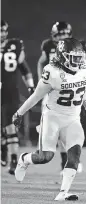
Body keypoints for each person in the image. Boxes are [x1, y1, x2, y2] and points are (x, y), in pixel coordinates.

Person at [12, 38, 86, 201]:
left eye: (80, 57)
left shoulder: (85, 67)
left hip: (73, 119)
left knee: (75, 155)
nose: (79, 61)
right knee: (45, 157)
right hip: (52, 117)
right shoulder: (52, 72)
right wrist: (19, 113)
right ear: (63, 56)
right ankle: (24, 159)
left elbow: (82, 87)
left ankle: (63, 193)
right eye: (74, 57)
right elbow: (36, 96)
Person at [37, 21, 86, 173]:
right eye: (58, 35)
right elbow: (41, 63)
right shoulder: (49, 46)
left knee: (72, 128)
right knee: (57, 128)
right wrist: (42, 80)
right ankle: (64, 160)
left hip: (71, 91)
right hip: (53, 90)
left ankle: (71, 159)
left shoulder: (79, 45)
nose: (61, 37)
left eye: (64, 34)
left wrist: (82, 75)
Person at [1, 19, 35, 174]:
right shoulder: (14, 46)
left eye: (4, 30)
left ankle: (13, 160)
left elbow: (24, 67)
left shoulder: (14, 45)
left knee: (9, 127)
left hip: (9, 92)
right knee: (6, 129)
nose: (2, 33)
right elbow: (24, 68)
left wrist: (31, 86)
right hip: (9, 91)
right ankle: (3, 146)